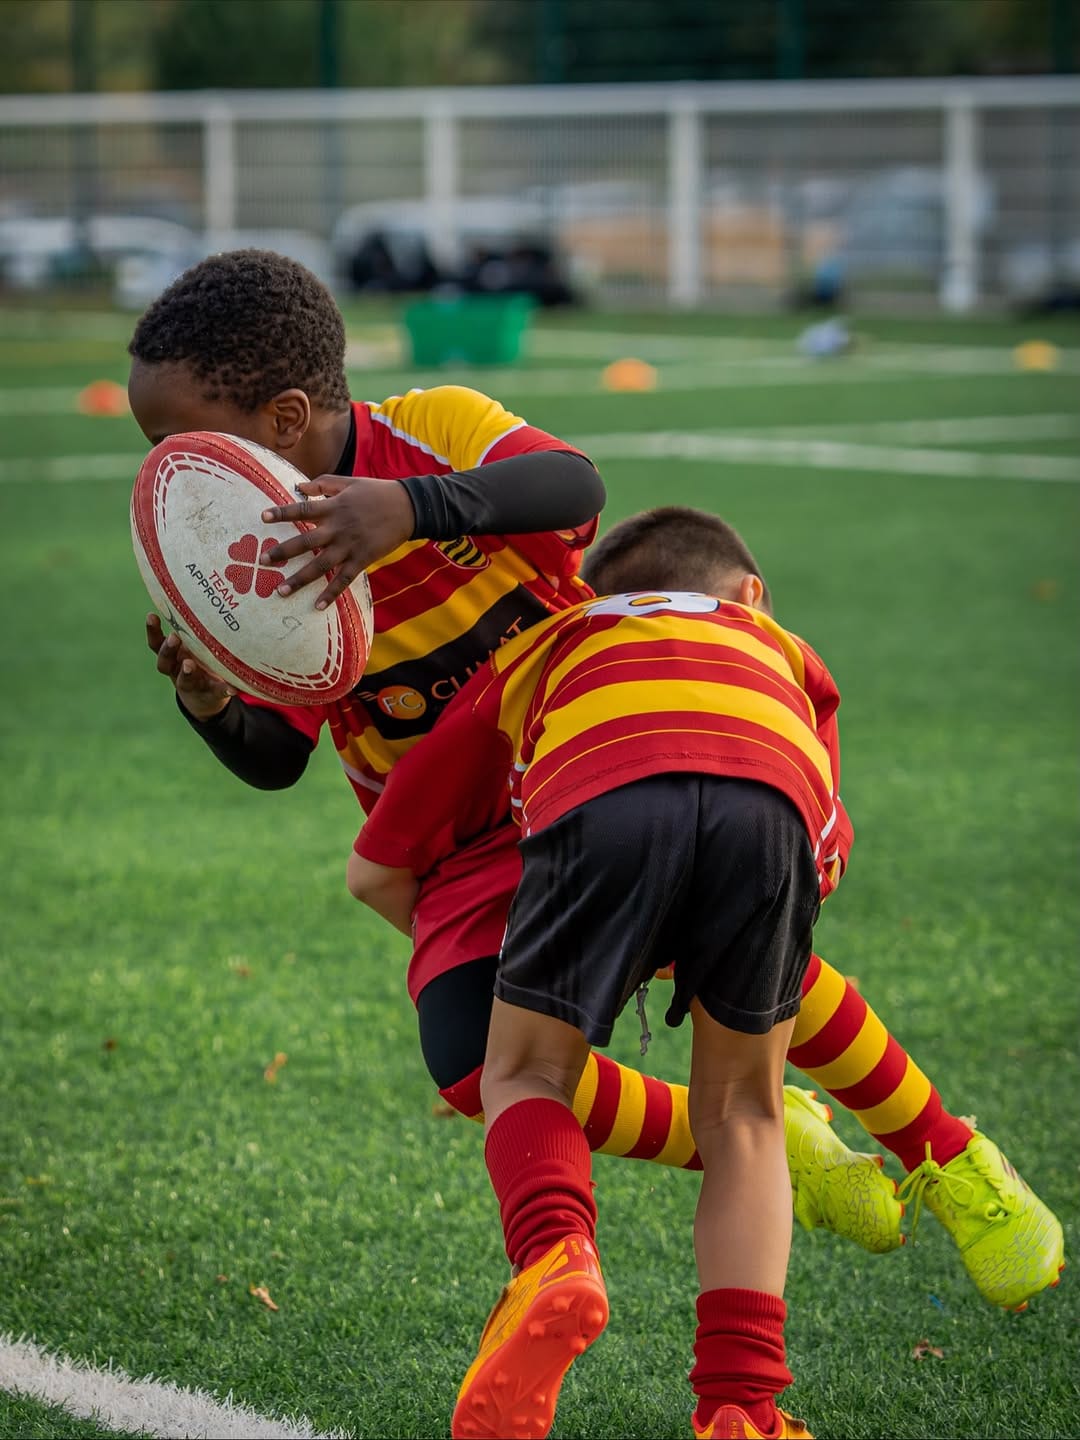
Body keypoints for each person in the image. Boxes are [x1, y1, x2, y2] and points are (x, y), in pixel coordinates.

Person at [127, 251, 1062, 1307]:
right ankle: (759, 1142)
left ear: (289, 415)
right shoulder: (265, 555)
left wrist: (411, 508)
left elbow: (574, 486)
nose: (172, 476)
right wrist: (212, 701)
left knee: (729, 960)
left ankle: (951, 1157)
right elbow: (277, 753)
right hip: (455, 832)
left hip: (588, 755)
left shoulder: (435, 422)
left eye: (181, 441)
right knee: (476, 1060)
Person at [346, 508, 850, 1439]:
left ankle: (556, 1253)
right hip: (769, 804)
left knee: (525, 1072)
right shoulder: (782, 650)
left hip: (603, 795)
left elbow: (376, 869)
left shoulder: (553, 642)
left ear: (593, 598)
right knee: (746, 1112)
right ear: (752, 596)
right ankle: (742, 1406)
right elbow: (825, 844)